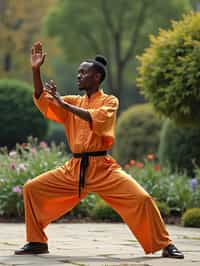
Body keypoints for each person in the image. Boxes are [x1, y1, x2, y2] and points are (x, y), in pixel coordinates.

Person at [15, 42, 184, 259]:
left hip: (103, 168)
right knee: (32, 188)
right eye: (78, 72)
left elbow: (97, 118)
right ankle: (36, 241)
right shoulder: (75, 100)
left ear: (96, 77)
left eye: (83, 72)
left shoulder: (109, 101)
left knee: (142, 199)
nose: (78, 76)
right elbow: (43, 100)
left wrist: (63, 105)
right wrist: (35, 70)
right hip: (74, 169)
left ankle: (166, 244)